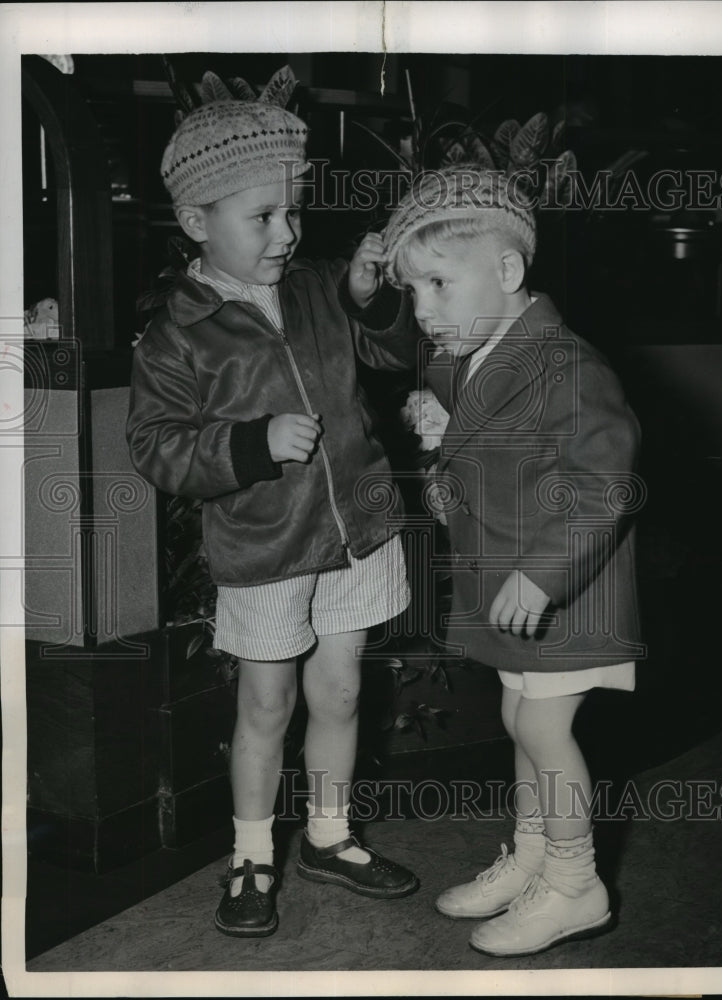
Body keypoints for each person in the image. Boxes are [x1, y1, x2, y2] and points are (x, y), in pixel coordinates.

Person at [126, 94, 420, 939]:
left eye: (292, 210)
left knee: (340, 688)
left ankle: (328, 835)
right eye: (262, 216)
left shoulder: (319, 288)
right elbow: (156, 448)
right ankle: (253, 856)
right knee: (266, 705)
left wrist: (368, 298)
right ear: (194, 220)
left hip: (357, 532)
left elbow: (393, 357)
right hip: (264, 548)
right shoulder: (178, 333)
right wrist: (251, 445)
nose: (286, 233)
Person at [371, 165, 643, 957]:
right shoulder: (472, 356)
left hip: (566, 589)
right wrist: (442, 427)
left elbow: (605, 486)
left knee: (543, 724)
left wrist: (543, 574)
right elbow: (485, 435)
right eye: (412, 291)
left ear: (508, 271)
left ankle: (575, 883)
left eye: (437, 284)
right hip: (511, 586)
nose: (423, 312)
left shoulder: (570, 366)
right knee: (517, 716)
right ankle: (533, 858)